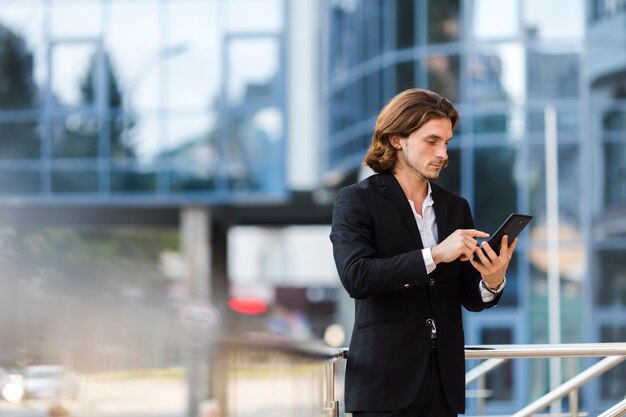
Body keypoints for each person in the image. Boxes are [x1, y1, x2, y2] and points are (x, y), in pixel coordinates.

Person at [329, 88, 516, 417]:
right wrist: (435, 254)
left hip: (443, 384)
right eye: (432, 141)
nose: (443, 153)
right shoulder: (356, 200)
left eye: (447, 142)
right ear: (396, 139)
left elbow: (470, 296)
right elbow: (357, 277)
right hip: (383, 383)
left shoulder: (455, 208)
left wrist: (493, 280)